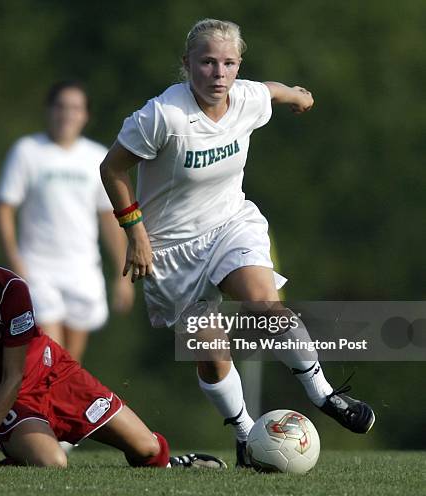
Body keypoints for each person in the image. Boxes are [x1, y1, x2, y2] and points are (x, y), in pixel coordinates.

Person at [99, 19, 375, 467]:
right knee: (210, 351)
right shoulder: (162, 115)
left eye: (228, 63)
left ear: (238, 65)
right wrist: (136, 233)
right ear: (187, 64)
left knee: (266, 305)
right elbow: (111, 169)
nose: (218, 73)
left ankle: (324, 395)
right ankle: (247, 438)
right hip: (169, 250)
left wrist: (298, 95)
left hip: (230, 225)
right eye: (207, 62)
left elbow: (270, 90)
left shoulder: (245, 97)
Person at [0, 217, 224, 469]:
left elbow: (15, 373)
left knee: (149, 450)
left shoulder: (8, 289)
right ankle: (22, 457)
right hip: (5, 400)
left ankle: (174, 465)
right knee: (53, 464)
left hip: (56, 375)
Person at [0, 81, 133, 364]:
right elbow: (5, 207)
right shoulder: (28, 151)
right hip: (38, 268)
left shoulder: (96, 158)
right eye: (61, 106)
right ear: (49, 111)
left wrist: (123, 276)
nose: (67, 114)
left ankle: (56, 408)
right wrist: (15, 260)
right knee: (50, 352)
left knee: (70, 361)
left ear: (85, 115)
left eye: (75, 108)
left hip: (82, 269)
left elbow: (109, 217)